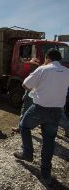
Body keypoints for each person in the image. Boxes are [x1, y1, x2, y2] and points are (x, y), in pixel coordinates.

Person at [13, 49, 69, 185]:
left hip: (40, 108)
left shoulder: (43, 69)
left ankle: (28, 152)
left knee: (24, 126)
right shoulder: (67, 71)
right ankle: (45, 175)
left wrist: (38, 85)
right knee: (49, 142)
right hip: (57, 111)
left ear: (47, 58)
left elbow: (25, 85)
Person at [11, 58, 40, 133]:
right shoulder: (39, 73)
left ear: (34, 65)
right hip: (36, 96)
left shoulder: (33, 73)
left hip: (30, 96)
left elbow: (25, 85)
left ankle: (20, 128)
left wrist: (26, 95)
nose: (29, 65)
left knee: (24, 112)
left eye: (30, 64)